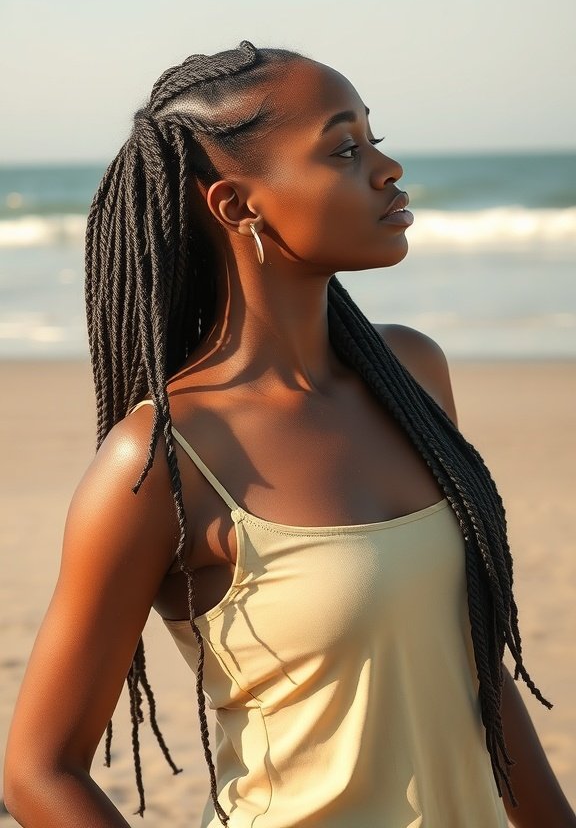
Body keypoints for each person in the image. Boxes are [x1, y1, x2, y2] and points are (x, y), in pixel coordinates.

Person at [4, 41, 575, 828]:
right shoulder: (166, 456)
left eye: (375, 137)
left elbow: (469, 657)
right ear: (238, 206)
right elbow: (39, 771)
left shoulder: (413, 377)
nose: (387, 168)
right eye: (343, 149)